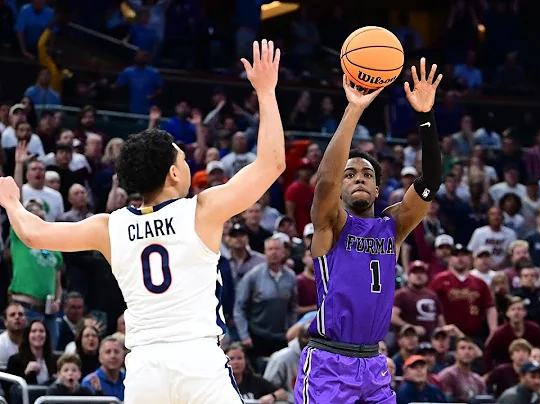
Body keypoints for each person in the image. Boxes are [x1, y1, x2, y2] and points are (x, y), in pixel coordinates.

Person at [0, 39, 285, 404]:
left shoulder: (110, 227)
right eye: (183, 160)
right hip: (196, 359)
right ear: (172, 174)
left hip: (145, 367)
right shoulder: (201, 211)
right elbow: (272, 163)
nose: (187, 165)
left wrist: (12, 203)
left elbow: (34, 233)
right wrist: (265, 91)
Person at [295, 59, 443, 403]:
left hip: (374, 363)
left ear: (378, 189)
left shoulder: (392, 227)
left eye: (366, 174)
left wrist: (425, 115)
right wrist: (354, 109)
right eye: (350, 174)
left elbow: (431, 181)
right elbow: (326, 180)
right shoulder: (330, 224)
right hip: (328, 362)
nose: (358, 177)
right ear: (341, 189)